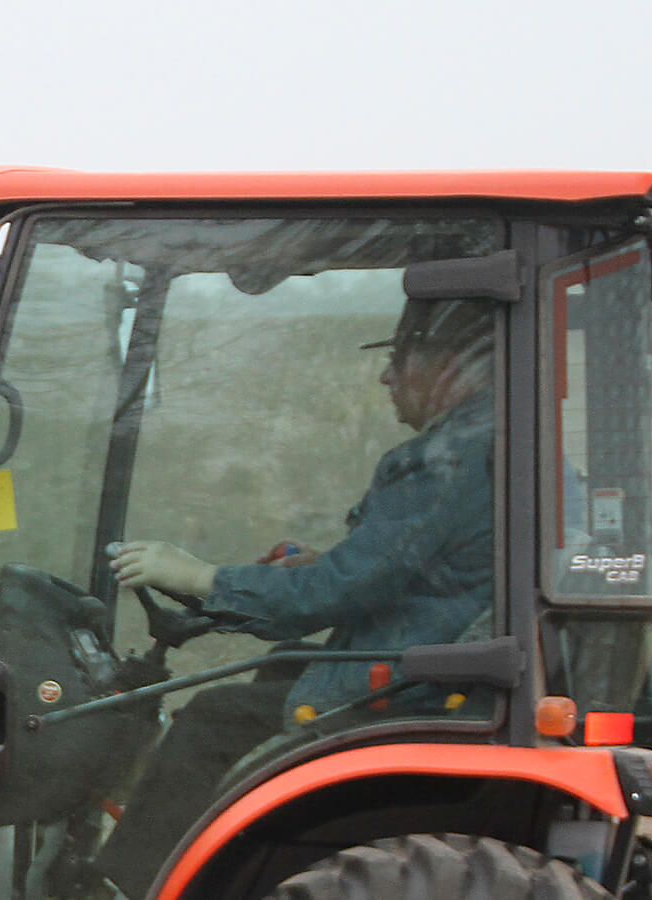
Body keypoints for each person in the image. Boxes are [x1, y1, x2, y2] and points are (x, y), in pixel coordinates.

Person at [89, 294, 500, 899]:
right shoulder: (492, 445)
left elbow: (343, 589)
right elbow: (406, 573)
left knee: (211, 720)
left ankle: (129, 890)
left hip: (426, 691)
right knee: (280, 667)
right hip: (439, 670)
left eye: (401, 356)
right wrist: (319, 565)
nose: (387, 375)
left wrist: (200, 577)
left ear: (449, 363)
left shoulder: (453, 459)